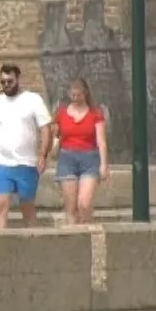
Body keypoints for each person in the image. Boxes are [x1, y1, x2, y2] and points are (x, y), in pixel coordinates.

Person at [0, 64, 53, 230]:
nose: (6, 85)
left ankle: (32, 244)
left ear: (18, 79)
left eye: (9, 81)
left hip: (27, 163)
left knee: (27, 207)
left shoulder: (33, 100)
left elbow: (45, 128)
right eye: (3, 82)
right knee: (0, 206)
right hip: (2, 162)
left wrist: (43, 155)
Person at [51, 78, 110, 225]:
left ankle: (86, 229)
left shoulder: (95, 114)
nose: (76, 98)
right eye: (73, 95)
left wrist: (104, 165)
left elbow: (101, 142)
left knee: (84, 204)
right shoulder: (62, 114)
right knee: (70, 208)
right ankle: (73, 236)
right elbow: (55, 136)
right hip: (67, 158)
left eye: (79, 95)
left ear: (85, 94)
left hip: (89, 159)